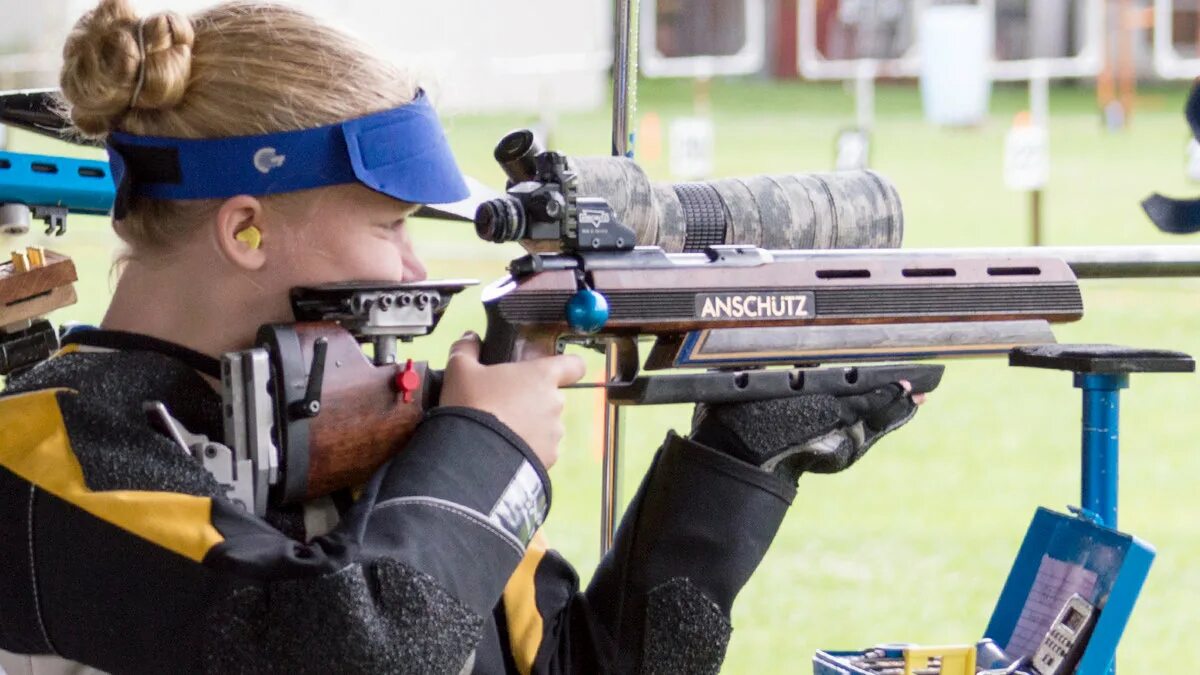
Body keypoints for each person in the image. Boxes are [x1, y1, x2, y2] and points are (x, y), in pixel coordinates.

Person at [0, 1, 924, 673]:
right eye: (391, 223)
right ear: (246, 229)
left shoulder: (358, 429)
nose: (410, 268)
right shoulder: (43, 454)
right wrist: (489, 451)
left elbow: (575, 666)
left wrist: (740, 461)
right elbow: (359, 653)